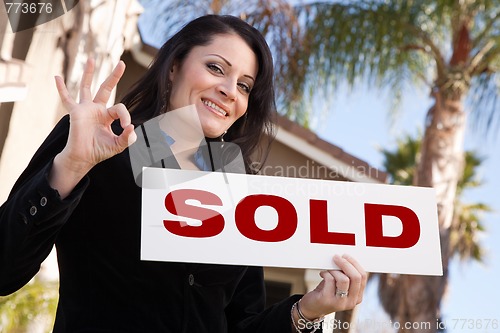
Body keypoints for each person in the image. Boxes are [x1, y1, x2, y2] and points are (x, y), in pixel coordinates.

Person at [0, 15, 367, 332]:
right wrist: (72, 166)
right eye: (216, 68)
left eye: (244, 86)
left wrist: (308, 311)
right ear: (173, 66)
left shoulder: (241, 190)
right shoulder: (94, 145)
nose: (228, 90)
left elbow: (241, 323)